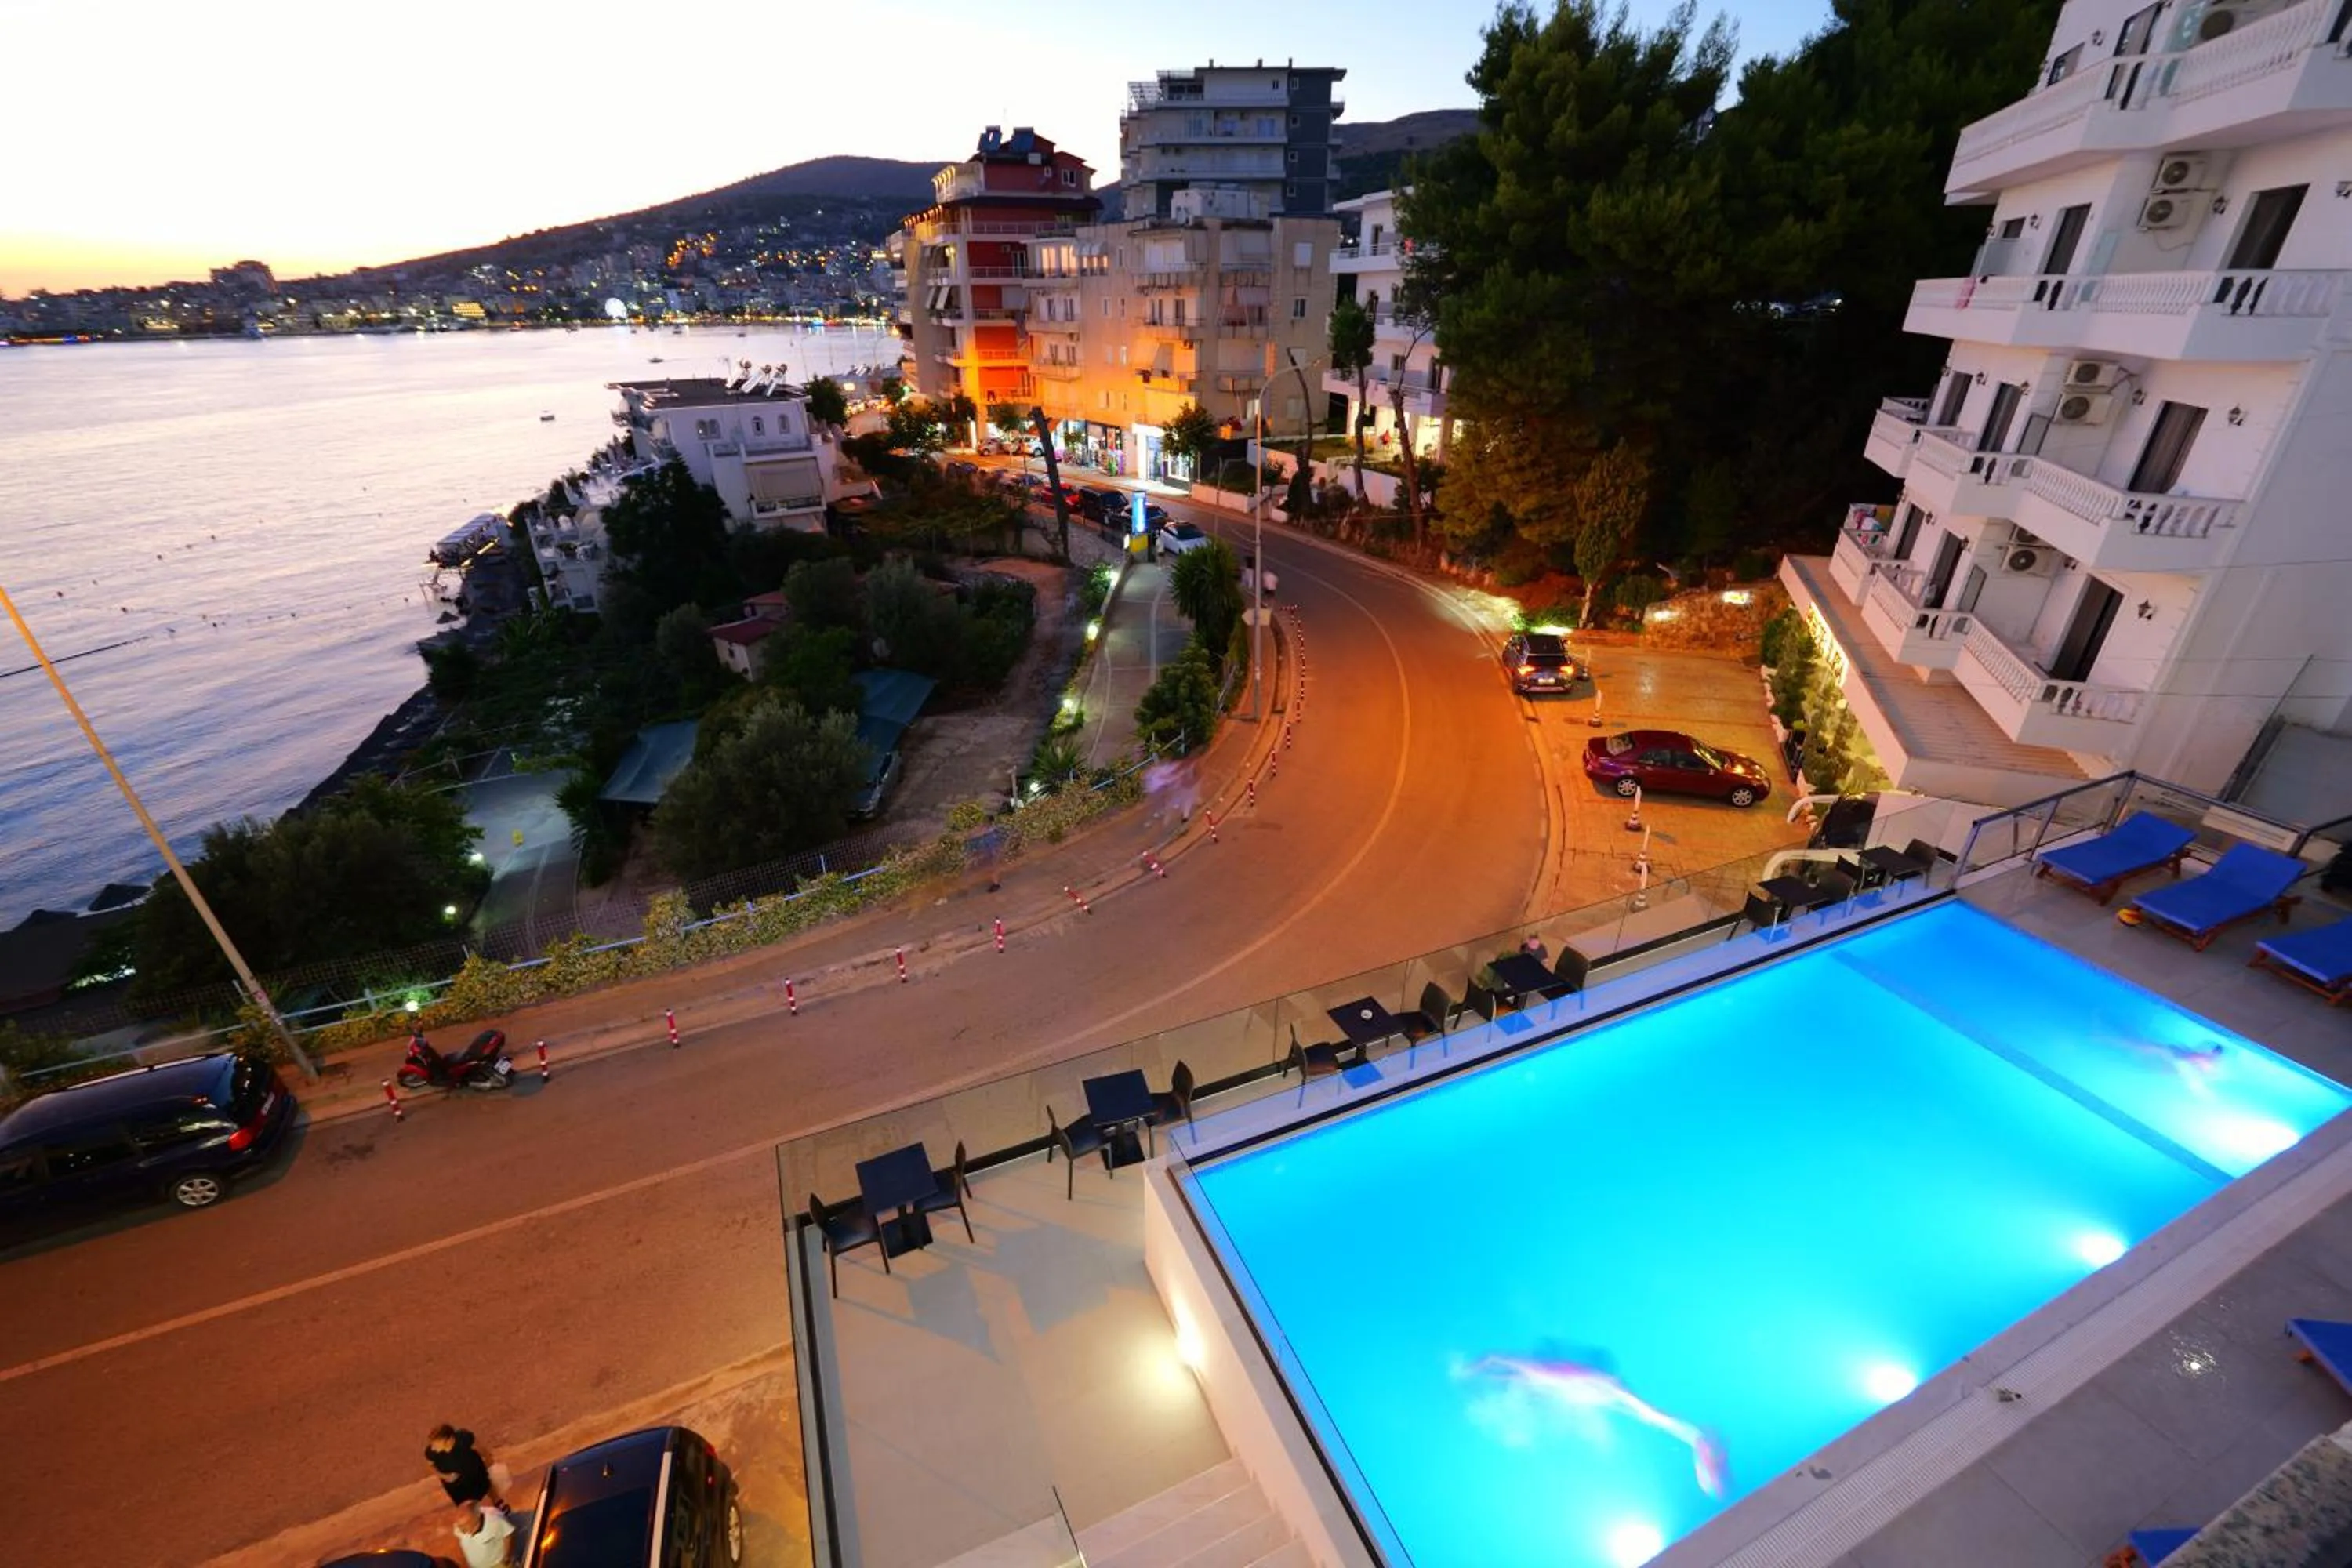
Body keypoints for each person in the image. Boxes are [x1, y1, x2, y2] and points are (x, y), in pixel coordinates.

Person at [426, 1424, 504, 1510]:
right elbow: (430, 1466)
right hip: (454, 1482)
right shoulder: (432, 1453)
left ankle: (498, 1503)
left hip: (472, 1468)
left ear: (449, 1440)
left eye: (436, 1443)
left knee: (486, 1485)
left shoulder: (463, 1438)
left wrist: (489, 1460)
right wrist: (444, 1476)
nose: (433, 1448)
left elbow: (479, 1447)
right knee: (466, 1504)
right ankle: (476, 1518)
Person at [452, 1498, 517, 1568]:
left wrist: (506, 1557)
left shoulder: (494, 1520)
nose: (460, 1530)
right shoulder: (459, 1525)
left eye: (466, 1525)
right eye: (460, 1525)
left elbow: (508, 1535)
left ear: (476, 1518)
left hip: (497, 1564)